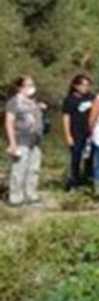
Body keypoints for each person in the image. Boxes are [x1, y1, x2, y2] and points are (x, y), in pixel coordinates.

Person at [5, 76, 46, 207]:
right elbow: (9, 122)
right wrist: (12, 143)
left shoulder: (32, 101)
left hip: (36, 139)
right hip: (21, 139)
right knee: (19, 168)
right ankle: (15, 197)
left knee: (34, 168)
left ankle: (31, 194)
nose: (31, 87)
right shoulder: (14, 102)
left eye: (32, 84)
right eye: (27, 85)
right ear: (20, 87)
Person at [60, 74, 94, 190]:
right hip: (76, 132)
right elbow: (66, 117)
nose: (85, 87)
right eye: (83, 85)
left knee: (89, 158)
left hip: (89, 133)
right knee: (76, 157)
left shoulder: (91, 98)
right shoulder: (70, 100)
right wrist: (68, 135)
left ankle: (87, 179)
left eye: (87, 85)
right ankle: (74, 181)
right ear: (75, 86)